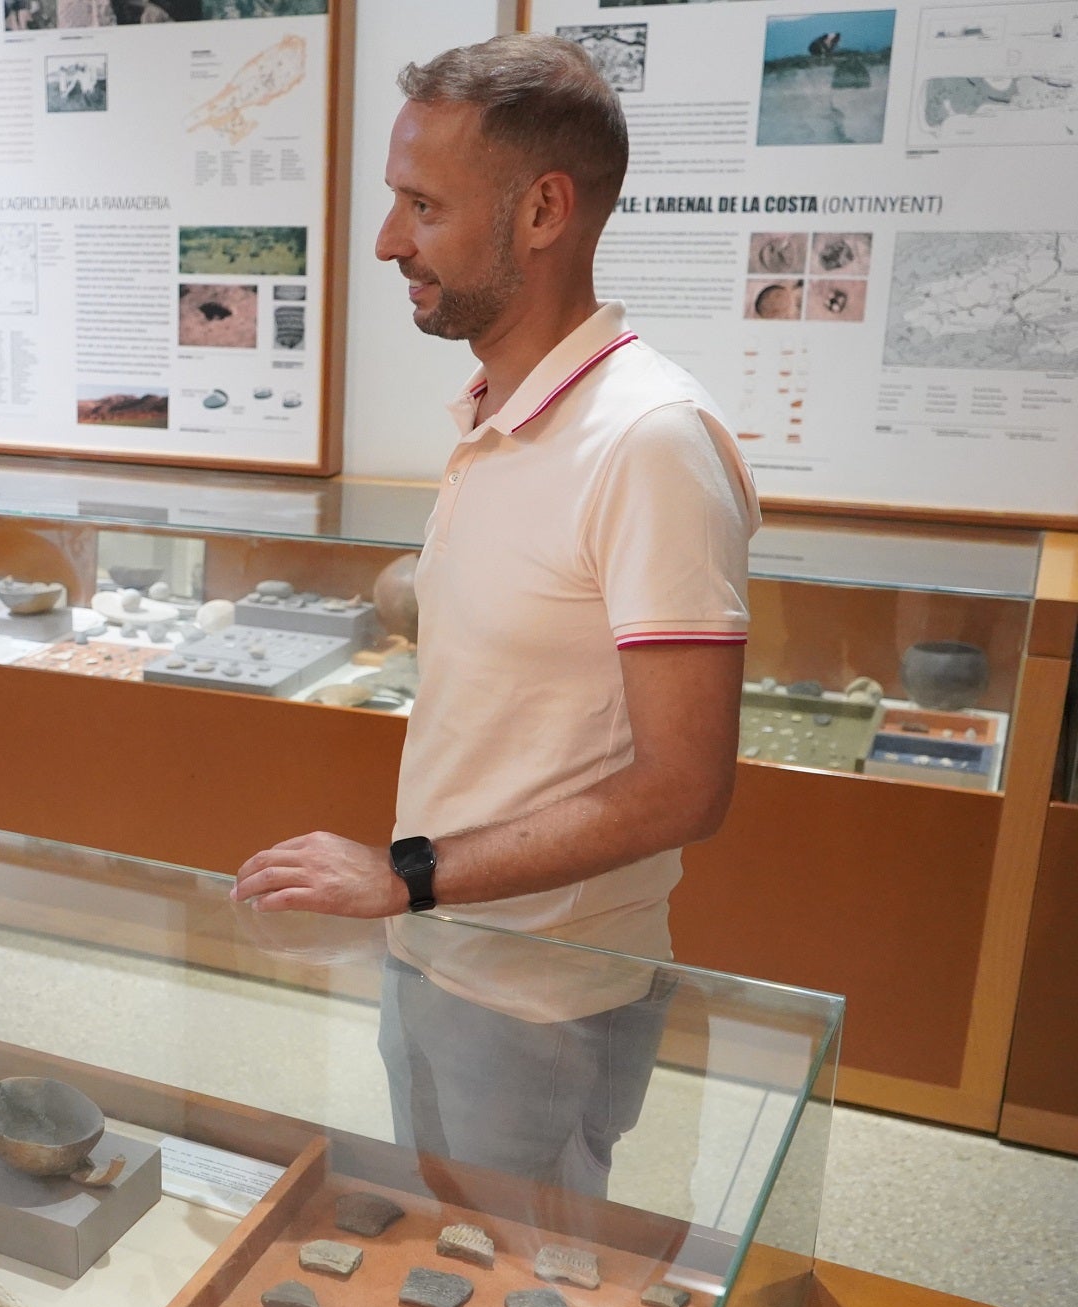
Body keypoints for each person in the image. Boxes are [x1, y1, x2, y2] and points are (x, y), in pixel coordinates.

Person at [233, 35, 759, 1195]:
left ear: (541, 212)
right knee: (441, 1251)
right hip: (442, 952)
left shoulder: (647, 441)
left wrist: (402, 872)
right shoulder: (496, 407)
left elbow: (685, 785)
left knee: (526, 1280)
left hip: (539, 992)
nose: (386, 241)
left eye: (421, 205)